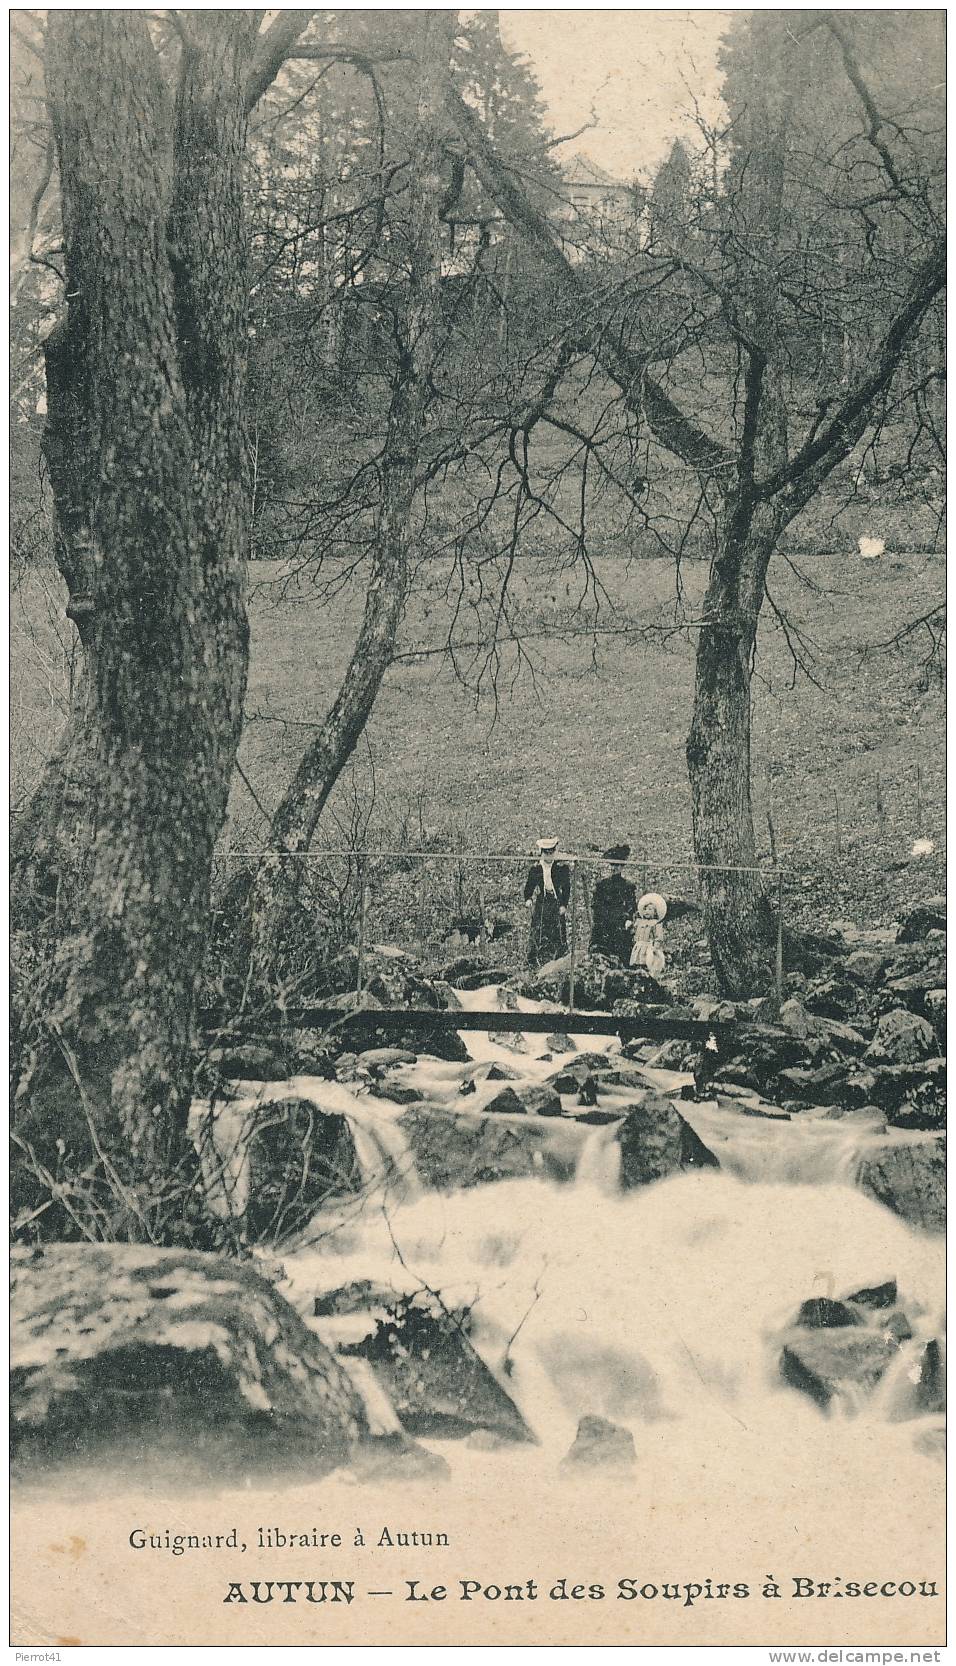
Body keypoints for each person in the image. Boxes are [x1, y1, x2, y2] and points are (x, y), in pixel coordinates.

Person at [524, 836, 571, 968]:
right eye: (546, 853)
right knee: (537, 929)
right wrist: (528, 898)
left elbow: (566, 888)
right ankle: (532, 960)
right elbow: (529, 887)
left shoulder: (561, 868)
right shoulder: (536, 869)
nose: (549, 856)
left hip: (556, 902)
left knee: (559, 929)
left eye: (551, 853)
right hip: (542, 902)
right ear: (541, 853)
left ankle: (561, 957)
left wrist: (563, 905)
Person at [589, 844, 637, 965]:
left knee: (623, 949)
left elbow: (631, 906)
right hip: (604, 922)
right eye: (612, 865)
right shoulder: (602, 885)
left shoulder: (628, 886)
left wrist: (627, 919)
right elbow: (596, 906)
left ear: (622, 867)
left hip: (620, 922)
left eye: (617, 865)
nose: (613, 868)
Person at [630, 892, 667, 976]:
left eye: (650, 909)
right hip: (639, 945)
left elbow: (658, 937)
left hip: (648, 947)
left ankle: (646, 974)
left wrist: (656, 946)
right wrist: (631, 927)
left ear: (655, 912)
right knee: (637, 961)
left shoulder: (655, 923)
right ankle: (638, 973)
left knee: (646, 962)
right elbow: (634, 932)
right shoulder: (639, 922)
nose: (647, 911)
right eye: (645, 909)